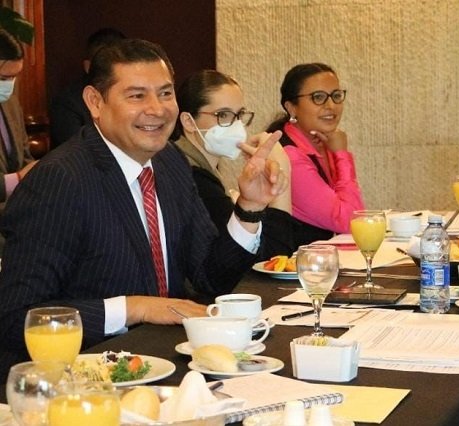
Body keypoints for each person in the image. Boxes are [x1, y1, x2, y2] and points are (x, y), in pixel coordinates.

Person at [0, 39, 286, 380]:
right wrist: (134, 307)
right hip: (86, 377)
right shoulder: (60, 179)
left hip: (170, 363)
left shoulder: (169, 162)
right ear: (95, 102)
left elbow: (211, 276)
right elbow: (18, 316)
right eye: (137, 96)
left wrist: (249, 208)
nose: (157, 109)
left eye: (165, 93)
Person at [173, 69, 299, 258]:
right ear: (188, 122)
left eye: (239, 115)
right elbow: (271, 257)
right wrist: (281, 171)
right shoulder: (195, 178)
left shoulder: (195, 166)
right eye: (223, 115)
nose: (237, 126)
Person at [267, 63, 364, 244]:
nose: (331, 105)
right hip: (293, 260)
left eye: (336, 96)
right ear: (291, 107)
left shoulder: (322, 141)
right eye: (318, 97)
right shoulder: (289, 155)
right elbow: (351, 221)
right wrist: (342, 155)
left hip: (320, 257)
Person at [48, 27, 126, 149]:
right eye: (105, 67)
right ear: (88, 66)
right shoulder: (67, 103)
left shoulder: (136, 95)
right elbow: (75, 150)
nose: (112, 74)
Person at [0, 28, 36, 203]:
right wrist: (17, 179)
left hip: (18, 208)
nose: (9, 85)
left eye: (14, 77)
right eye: (3, 78)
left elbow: (24, 156)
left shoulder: (11, 103)